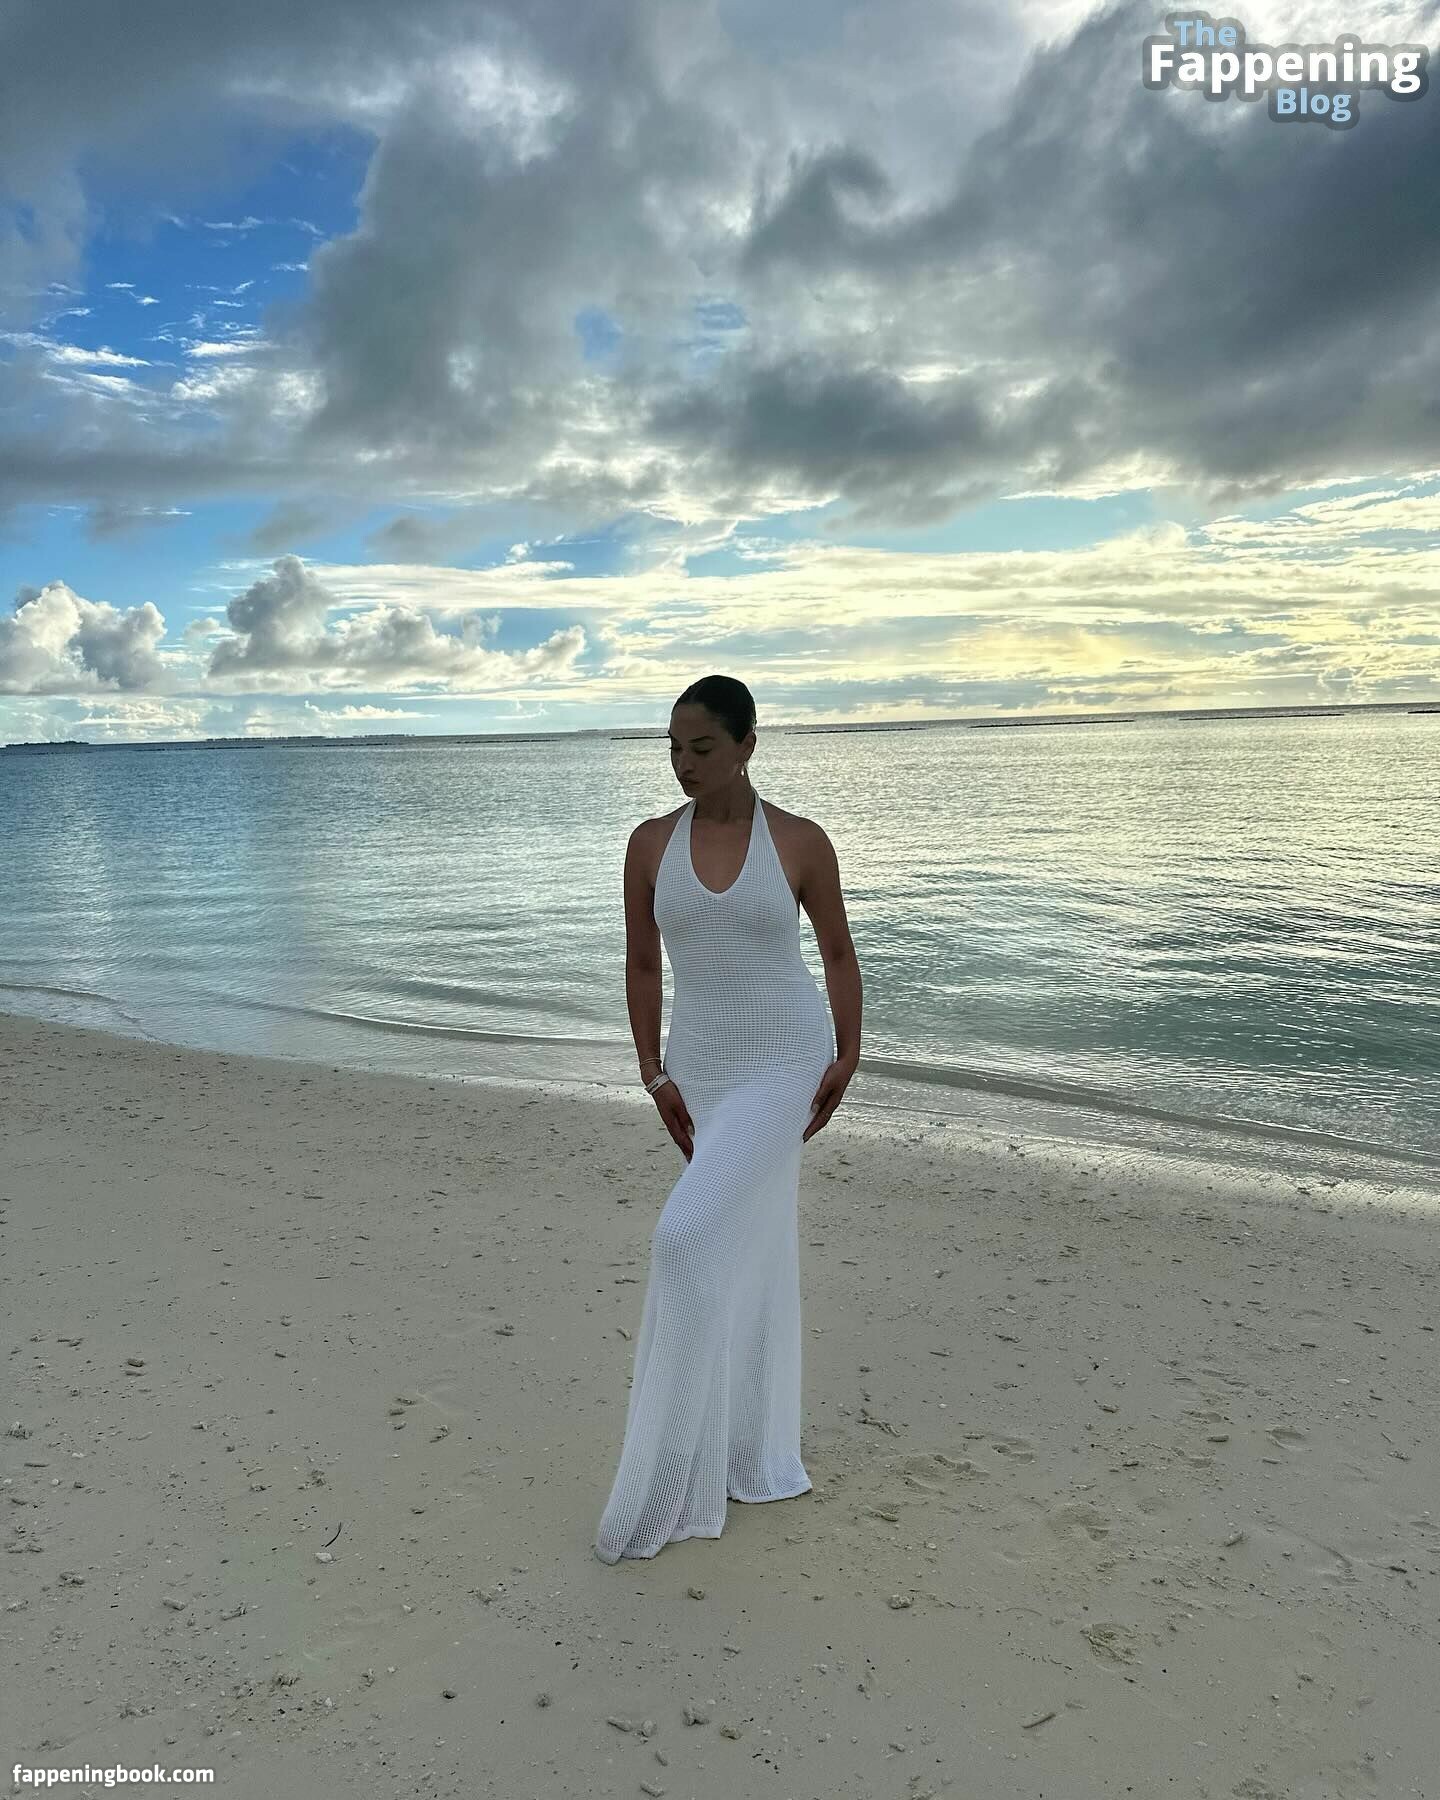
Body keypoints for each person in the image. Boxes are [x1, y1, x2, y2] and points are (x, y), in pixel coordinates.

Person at [593, 674, 863, 1563]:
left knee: (684, 1238)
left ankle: (670, 1467)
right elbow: (642, 965)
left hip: (784, 1061)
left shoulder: (800, 842)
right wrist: (652, 1073)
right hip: (701, 1070)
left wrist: (849, 1053)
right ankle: (743, 1448)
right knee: (744, 1247)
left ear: (747, 745)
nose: (684, 763)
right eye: (673, 747)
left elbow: (836, 951)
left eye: (702, 747)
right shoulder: (647, 845)